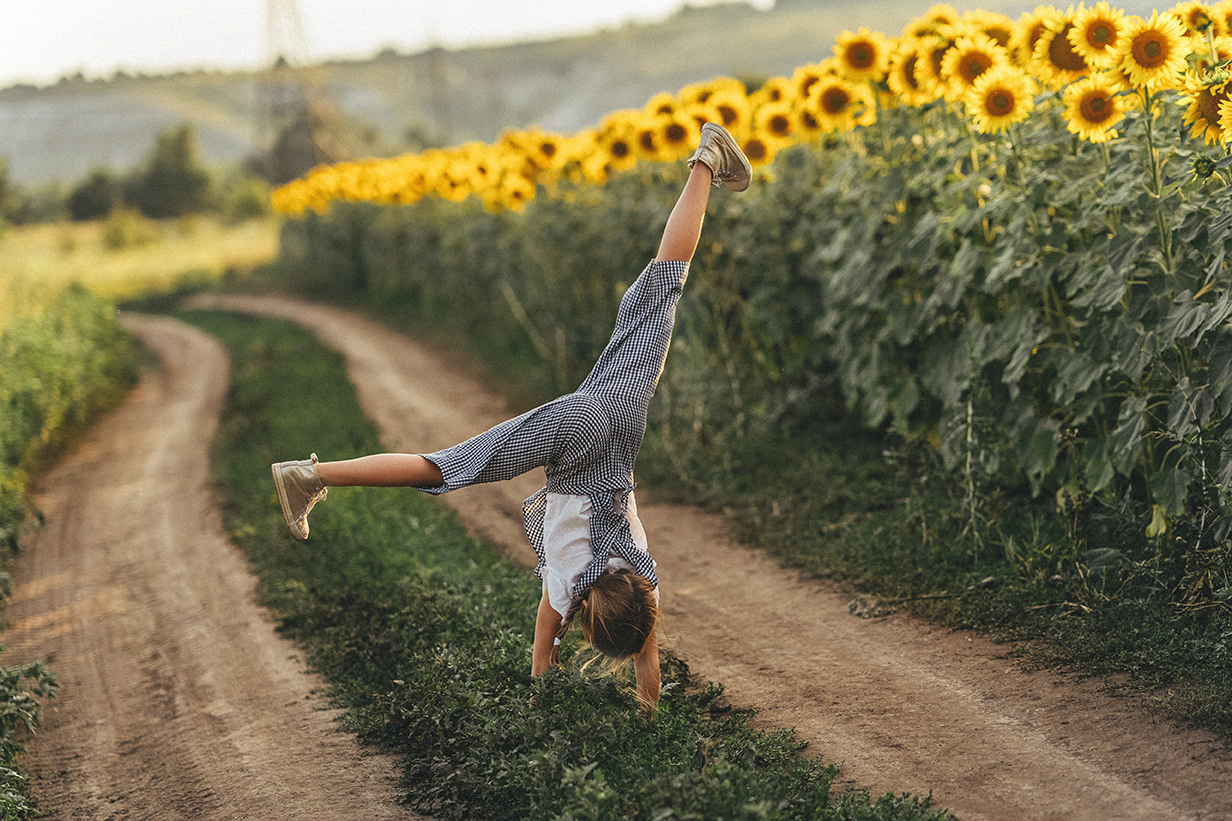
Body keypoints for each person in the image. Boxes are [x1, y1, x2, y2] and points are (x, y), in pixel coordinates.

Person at [271, 122, 752, 711]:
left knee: (663, 284)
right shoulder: (570, 585)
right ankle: (310, 476)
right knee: (443, 469)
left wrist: (643, 707)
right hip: (577, 433)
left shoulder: (642, 582)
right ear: (588, 620)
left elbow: (645, 655)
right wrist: (546, 695)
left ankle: (707, 158)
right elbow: (547, 640)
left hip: (616, 413)